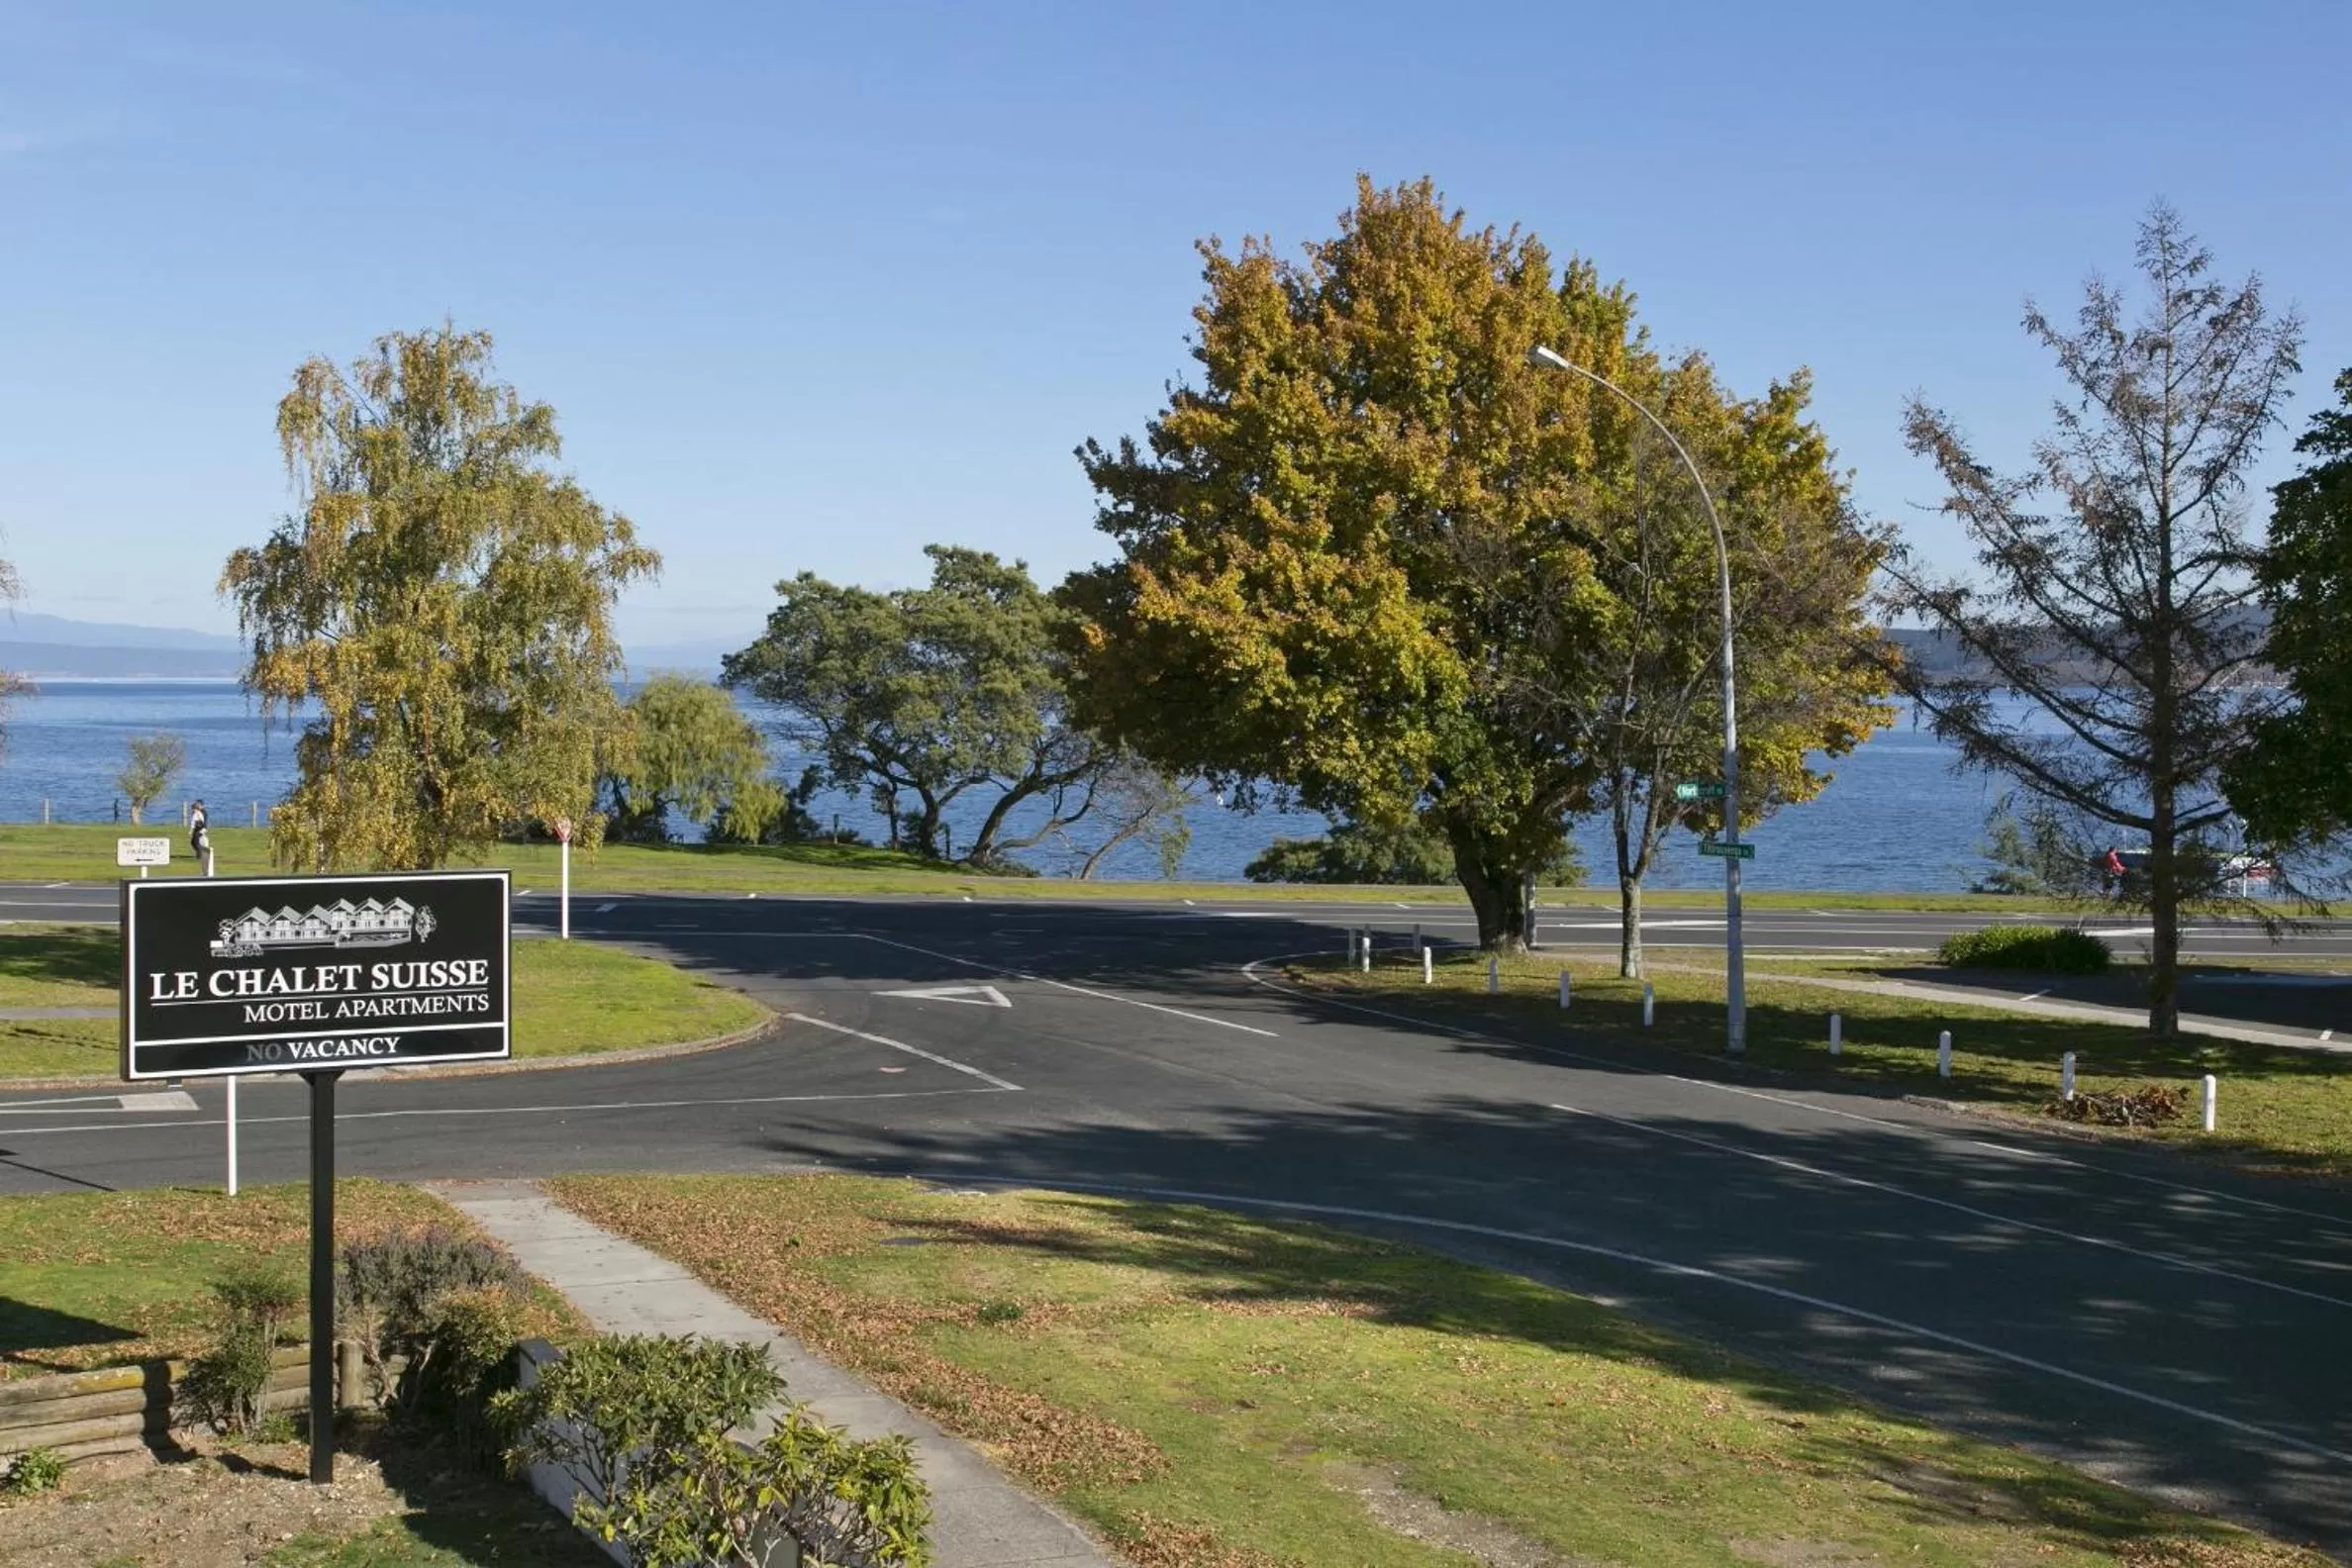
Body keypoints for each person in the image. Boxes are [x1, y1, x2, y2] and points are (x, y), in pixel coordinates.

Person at [189, 799, 211, 876]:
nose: (196, 805)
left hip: (202, 829)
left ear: (200, 805)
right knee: (193, 842)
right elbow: (194, 821)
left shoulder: (203, 812)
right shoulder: (197, 811)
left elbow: (202, 822)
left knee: (196, 841)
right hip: (197, 829)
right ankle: (200, 853)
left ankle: (201, 854)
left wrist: (196, 829)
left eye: (197, 804)